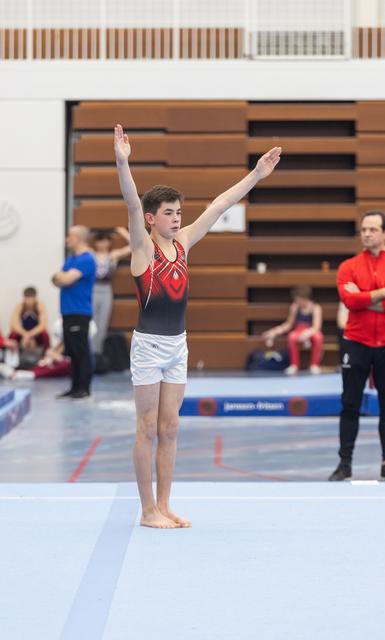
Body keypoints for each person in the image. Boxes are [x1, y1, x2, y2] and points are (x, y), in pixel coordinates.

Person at [114, 123, 281, 529]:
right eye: (168, 213)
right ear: (153, 219)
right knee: (147, 427)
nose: (176, 218)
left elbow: (220, 205)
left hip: (178, 345)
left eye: (178, 212)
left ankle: (166, 504)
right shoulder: (143, 247)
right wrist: (123, 163)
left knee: (170, 427)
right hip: (149, 346)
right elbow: (133, 206)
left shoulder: (185, 242)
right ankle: (147, 509)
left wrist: (256, 175)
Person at [329, 210, 385, 482]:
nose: (366, 234)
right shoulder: (349, 267)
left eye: (373, 229)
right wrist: (379, 295)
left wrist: (364, 298)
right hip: (356, 343)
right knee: (349, 404)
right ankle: (345, 464)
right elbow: (348, 301)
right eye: (364, 229)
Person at [51, 226, 96, 399]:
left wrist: (61, 278)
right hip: (68, 311)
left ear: (78, 238)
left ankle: (84, 388)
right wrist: (60, 278)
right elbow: (58, 279)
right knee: (71, 351)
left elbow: (66, 278)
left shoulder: (86, 259)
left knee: (81, 350)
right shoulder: (71, 259)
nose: (66, 240)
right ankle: (75, 386)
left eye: (69, 236)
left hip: (80, 311)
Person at [261, 286, 324, 375]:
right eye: (296, 299)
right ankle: (294, 365)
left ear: (305, 298)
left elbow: (316, 326)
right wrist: (274, 332)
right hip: (299, 330)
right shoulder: (295, 307)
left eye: (298, 299)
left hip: (311, 330)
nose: (297, 301)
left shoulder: (316, 308)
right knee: (291, 337)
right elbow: (288, 324)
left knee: (318, 337)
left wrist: (308, 333)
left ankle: (314, 365)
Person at [92, 227, 131, 355]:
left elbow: (133, 246)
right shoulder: (90, 255)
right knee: (91, 322)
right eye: (99, 241)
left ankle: (97, 353)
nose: (102, 244)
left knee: (102, 323)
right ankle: (89, 352)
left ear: (109, 242)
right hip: (92, 289)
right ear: (95, 242)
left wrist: (123, 232)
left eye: (105, 241)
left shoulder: (113, 255)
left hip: (106, 290)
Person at [9, 286, 50, 357]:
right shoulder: (20, 307)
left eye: (31, 299)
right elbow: (14, 324)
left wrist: (30, 334)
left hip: (35, 332)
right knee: (13, 334)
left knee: (45, 335)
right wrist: (25, 334)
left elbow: (43, 325)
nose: (29, 301)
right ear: (23, 298)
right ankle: (13, 357)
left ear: (35, 298)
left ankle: (45, 356)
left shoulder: (39, 306)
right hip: (23, 332)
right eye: (27, 298)